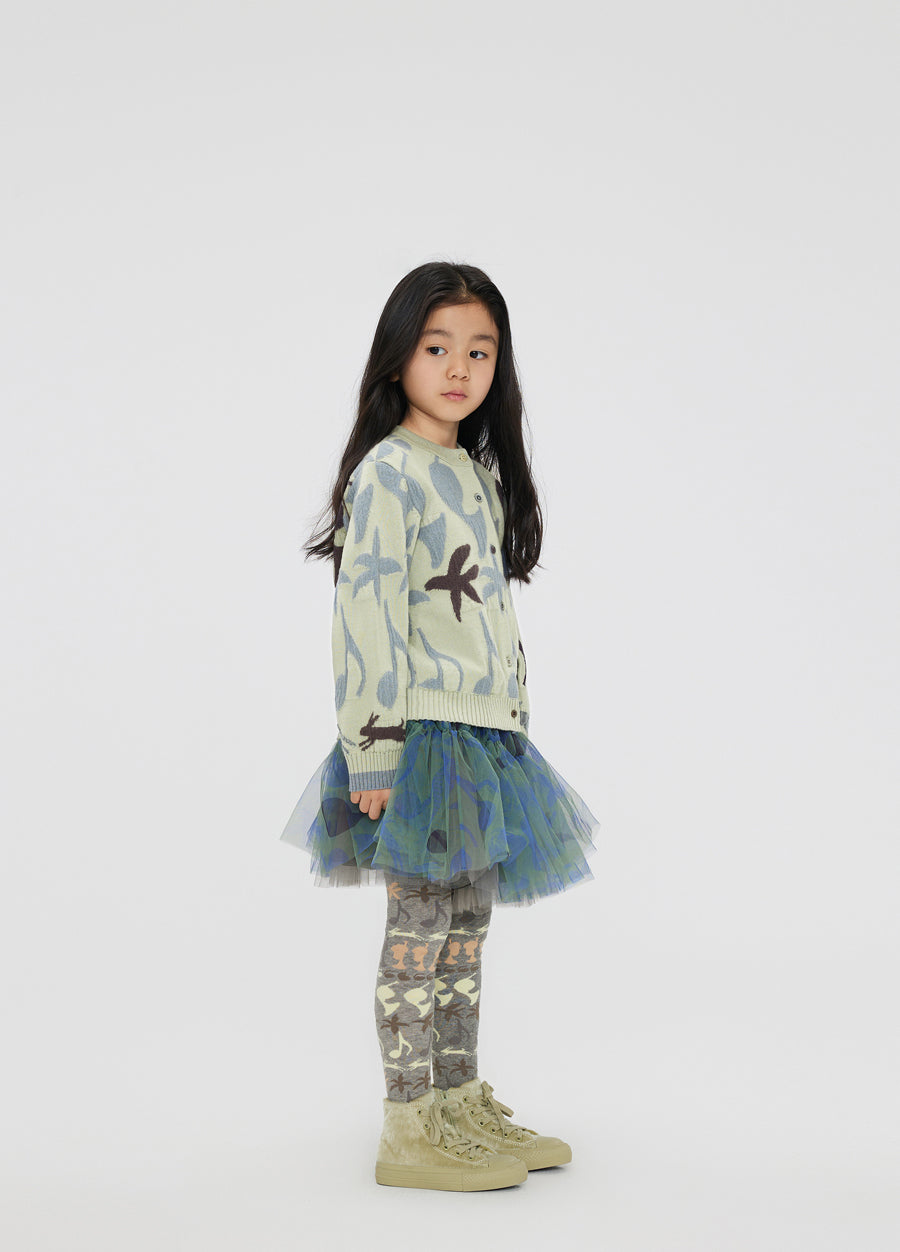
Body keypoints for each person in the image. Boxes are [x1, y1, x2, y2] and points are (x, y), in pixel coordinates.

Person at [280, 260, 600, 1192]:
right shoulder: (389, 473)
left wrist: (513, 723)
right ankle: (408, 1124)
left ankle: (457, 1102)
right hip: (418, 738)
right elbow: (367, 614)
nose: (460, 368)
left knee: (467, 927)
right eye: (436, 347)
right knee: (419, 926)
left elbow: (490, 611)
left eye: (480, 351)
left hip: (481, 738)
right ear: (397, 358)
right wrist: (372, 746)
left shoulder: (476, 475)